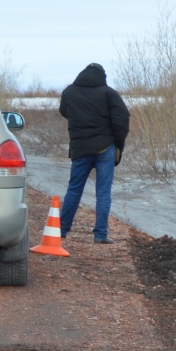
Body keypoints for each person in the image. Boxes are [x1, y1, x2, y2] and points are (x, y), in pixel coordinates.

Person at [57, 63, 131, 243]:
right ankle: (100, 235)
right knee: (103, 192)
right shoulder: (109, 93)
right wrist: (118, 143)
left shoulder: (69, 92)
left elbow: (64, 111)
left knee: (74, 190)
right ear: (102, 77)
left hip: (80, 148)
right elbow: (122, 119)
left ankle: (61, 230)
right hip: (105, 148)